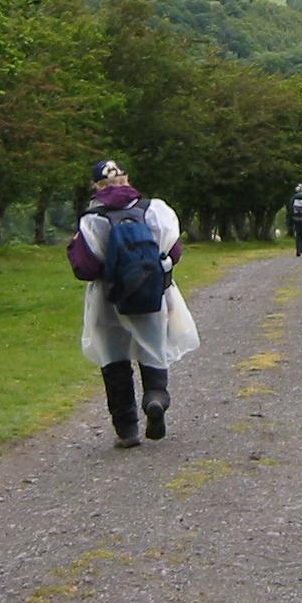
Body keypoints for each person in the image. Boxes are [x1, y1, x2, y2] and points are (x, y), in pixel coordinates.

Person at [67, 158, 199, 448]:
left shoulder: (91, 219)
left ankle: (127, 430)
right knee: (153, 350)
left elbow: (85, 268)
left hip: (107, 298)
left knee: (114, 360)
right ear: (126, 179)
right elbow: (174, 252)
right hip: (152, 295)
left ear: (96, 185)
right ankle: (155, 398)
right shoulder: (155, 210)